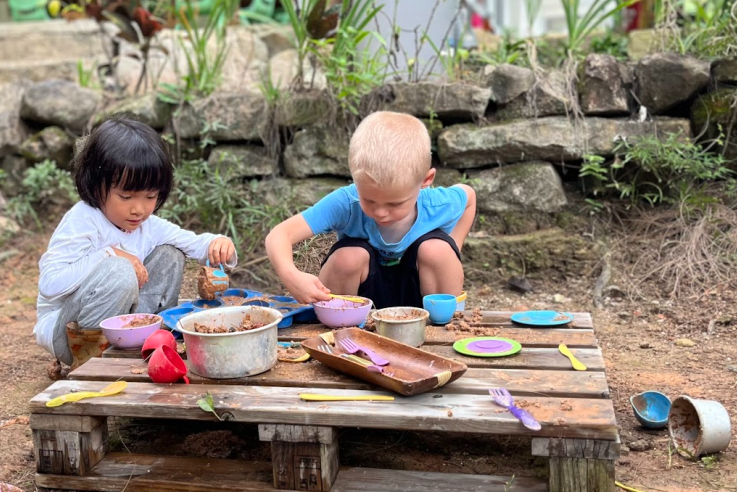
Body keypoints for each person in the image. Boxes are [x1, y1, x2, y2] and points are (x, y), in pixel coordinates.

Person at [34, 116, 236, 370]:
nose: (138, 209)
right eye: (126, 196)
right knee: (119, 269)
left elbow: (194, 243)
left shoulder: (148, 226)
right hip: (69, 333)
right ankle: (93, 366)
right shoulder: (82, 220)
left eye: (150, 196)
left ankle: (146, 341)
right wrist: (109, 254)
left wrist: (219, 243)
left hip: (121, 326)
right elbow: (50, 285)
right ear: (96, 186)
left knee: (170, 254)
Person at [265, 110, 476, 309]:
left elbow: (469, 197)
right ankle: (341, 327)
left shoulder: (437, 203)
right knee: (348, 257)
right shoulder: (346, 202)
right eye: (370, 200)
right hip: (359, 298)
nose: (381, 212)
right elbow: (279, 235)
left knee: (438, 250)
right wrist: (290, 275)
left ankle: (443, 328)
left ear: (425, 180)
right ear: (355, 179)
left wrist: (453, 248)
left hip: (421, 299)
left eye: (395, 204)